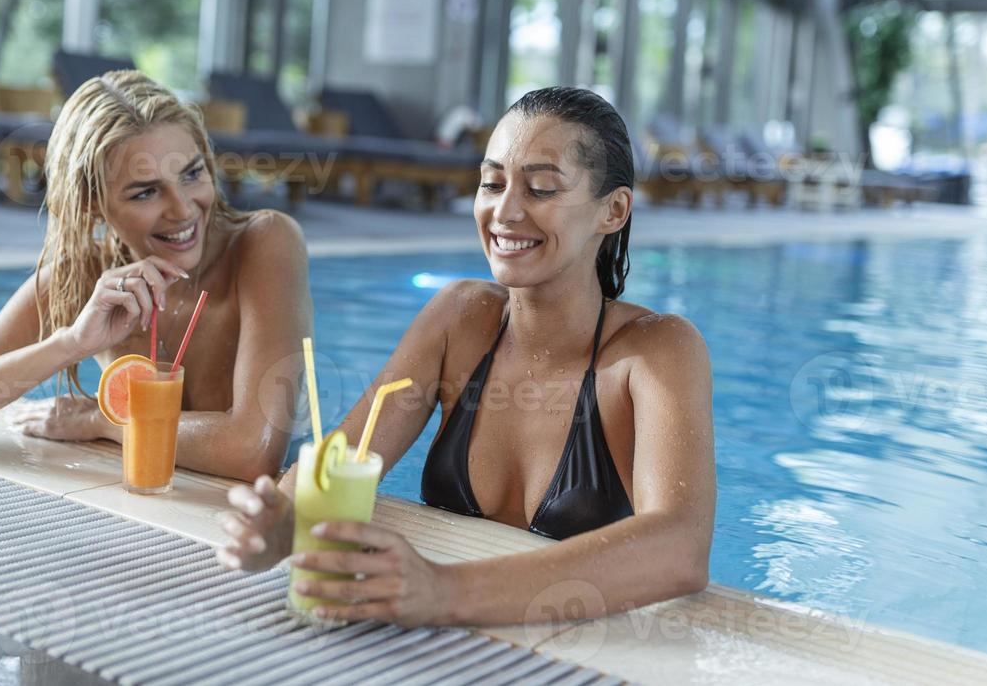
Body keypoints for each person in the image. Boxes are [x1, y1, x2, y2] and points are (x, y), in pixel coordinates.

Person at [217, 86, 715, 625]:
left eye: (542, 188)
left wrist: (445, 591)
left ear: (613, 210)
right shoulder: (460, 320)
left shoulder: (657, 350)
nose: (504, 211)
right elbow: (340, 461)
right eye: (492, 183)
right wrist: (279, 525)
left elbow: (679, 549)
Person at [0, 70, 310, 483]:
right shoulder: (84, 279)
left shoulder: (265, 243)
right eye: (145, 191)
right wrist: (69, 343)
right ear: (92, 203)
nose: (183, 209)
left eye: (192, 174)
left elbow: (253, 451)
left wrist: (102, 418)